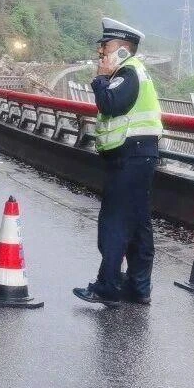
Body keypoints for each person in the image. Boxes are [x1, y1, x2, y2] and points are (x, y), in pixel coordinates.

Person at [73, 17, 164, 306]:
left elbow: (110, 104)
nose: (101, 52)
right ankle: (139, 287)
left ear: (123, 49)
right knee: (138, 225)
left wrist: (100, 79)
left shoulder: (128, 73)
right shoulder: (132, 73)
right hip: (138, 156)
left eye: (106, 46)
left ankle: (108, 286)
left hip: (130, 158)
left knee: (114, 223)